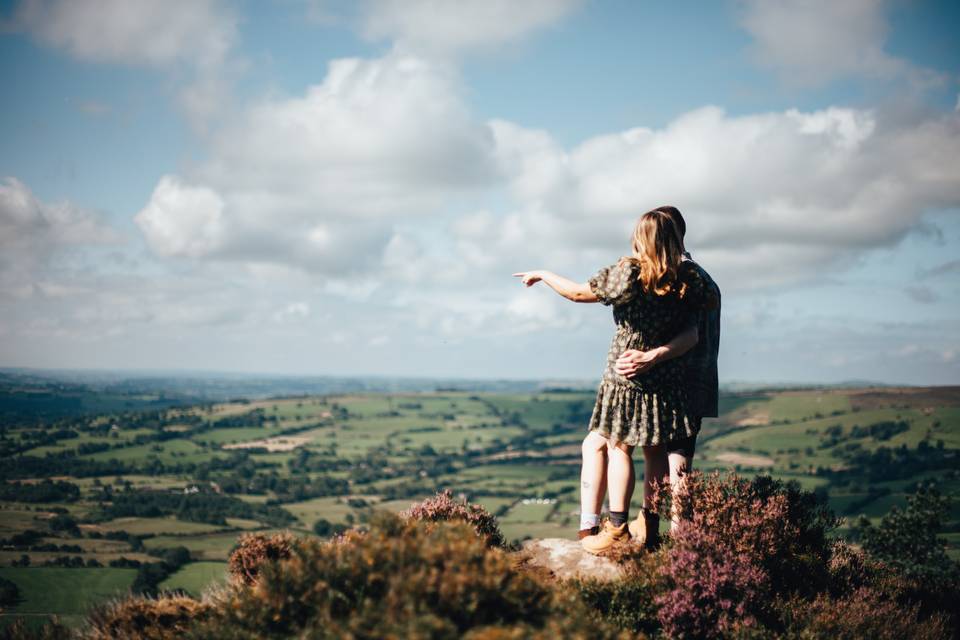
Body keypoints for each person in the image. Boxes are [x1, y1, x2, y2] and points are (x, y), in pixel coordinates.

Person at [513, 208, 718, 554]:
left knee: (618, 448)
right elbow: (693, 335)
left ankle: (618, 526)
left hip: (624, 379)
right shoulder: (688, 280)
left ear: (643, 238)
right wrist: (655, 357)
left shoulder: (629, 274)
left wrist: (544, 274)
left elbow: (578, 293)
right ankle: (650, 524)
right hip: (664, 380)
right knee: (654, 452)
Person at [614, 206, 721, 537]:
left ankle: (671, 535)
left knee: (671, 460)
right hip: (700, 376)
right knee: (679, 459)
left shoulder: (682, 278)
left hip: (674, 378)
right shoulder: (703, 277)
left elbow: (688, 334)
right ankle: (676, 535)